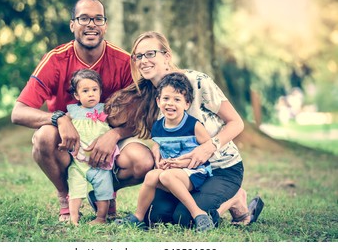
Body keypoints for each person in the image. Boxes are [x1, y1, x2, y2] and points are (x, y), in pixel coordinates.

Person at [11, 0, 153, 222]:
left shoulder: (125, 62)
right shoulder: (56, 60)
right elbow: (18, 112)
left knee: (143, 161)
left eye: (98, 19)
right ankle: (65, 196)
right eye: (84, 18)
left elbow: (140, 114)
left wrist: (114, 134)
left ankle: (103, 191)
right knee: (43, 138)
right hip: (70, 140)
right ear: (72, 25)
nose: (91, 25)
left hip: (110, 141)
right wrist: (60, 119)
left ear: (105, 25)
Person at [106, 31, 264, 228]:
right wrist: (158, 151)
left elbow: (236, 123)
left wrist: (208, 147)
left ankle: (235, 198)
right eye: (138, 56)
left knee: (185, 219)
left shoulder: (197, 82)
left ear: (167, 57)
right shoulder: (153, 97)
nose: (143, 60)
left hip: (220, 168)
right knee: (156, 217)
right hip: (183, 173)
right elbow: (162, 134)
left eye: (150, 54)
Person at [116, 73, 215, 231]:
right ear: (158, 101)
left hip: (194, 172)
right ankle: (138, 217)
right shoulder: (157, 127)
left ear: (187, 104)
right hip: (171, 171)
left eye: (177, 99)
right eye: (166, 98)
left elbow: (208, 151)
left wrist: (182, 163)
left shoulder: (194, 126)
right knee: (151, 175)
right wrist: (161, 160)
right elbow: (160, 147)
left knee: (165, 175)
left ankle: (198, 214)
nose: (170, 103)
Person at [66, 69, 119, 225]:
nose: (91, 94)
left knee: (104, 189)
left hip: (100, 162)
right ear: (76, 95)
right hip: (78, 161)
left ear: (100, 91)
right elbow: (64, 122)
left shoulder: (105, 109)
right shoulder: (73, 111)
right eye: (85, 91)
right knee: (75, 188)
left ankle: (101, 218)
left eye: (95, 90)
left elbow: (118, 123)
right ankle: (73, 218)